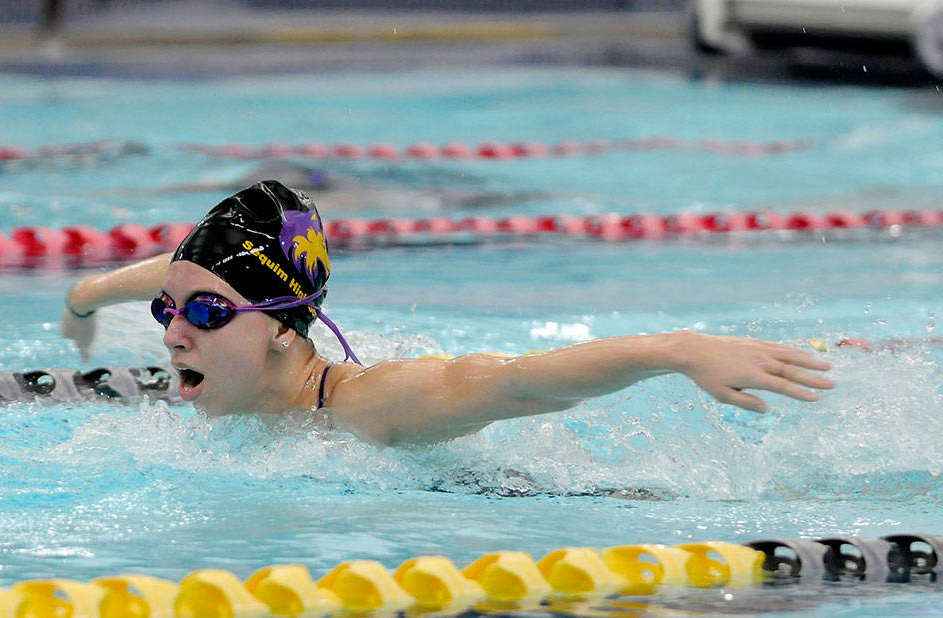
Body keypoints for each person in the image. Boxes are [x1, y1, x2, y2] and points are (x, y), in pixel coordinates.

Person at [63, 180, 834, 446]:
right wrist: (88, 294)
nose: (171, 331)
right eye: (169, 306)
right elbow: (190, 275)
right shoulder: (254, 346)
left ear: (277, 328)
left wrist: (679, 348)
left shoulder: (367, 408)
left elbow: (517, 384)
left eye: (201, 311)